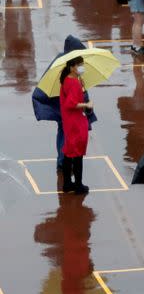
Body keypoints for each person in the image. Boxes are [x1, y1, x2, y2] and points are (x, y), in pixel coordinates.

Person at [32, 36, 96, 171]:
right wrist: (87, 106)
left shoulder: (63, 63)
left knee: (63, 130)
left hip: (61, 106)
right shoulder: (69, 71)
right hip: (66, 108)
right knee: (67, 132)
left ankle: (63, 160)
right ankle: (65, 161)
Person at [59, 57, 93, 194]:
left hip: (69, 121)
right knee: (78, 153)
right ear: (72, 67)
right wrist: (87, 104)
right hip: (76, 122)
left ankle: (67, 183)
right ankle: (78, 185)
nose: (82, 67)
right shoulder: (73, 83)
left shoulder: (69, 80)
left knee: (69, 152)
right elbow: (71, 103)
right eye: (79, 65)